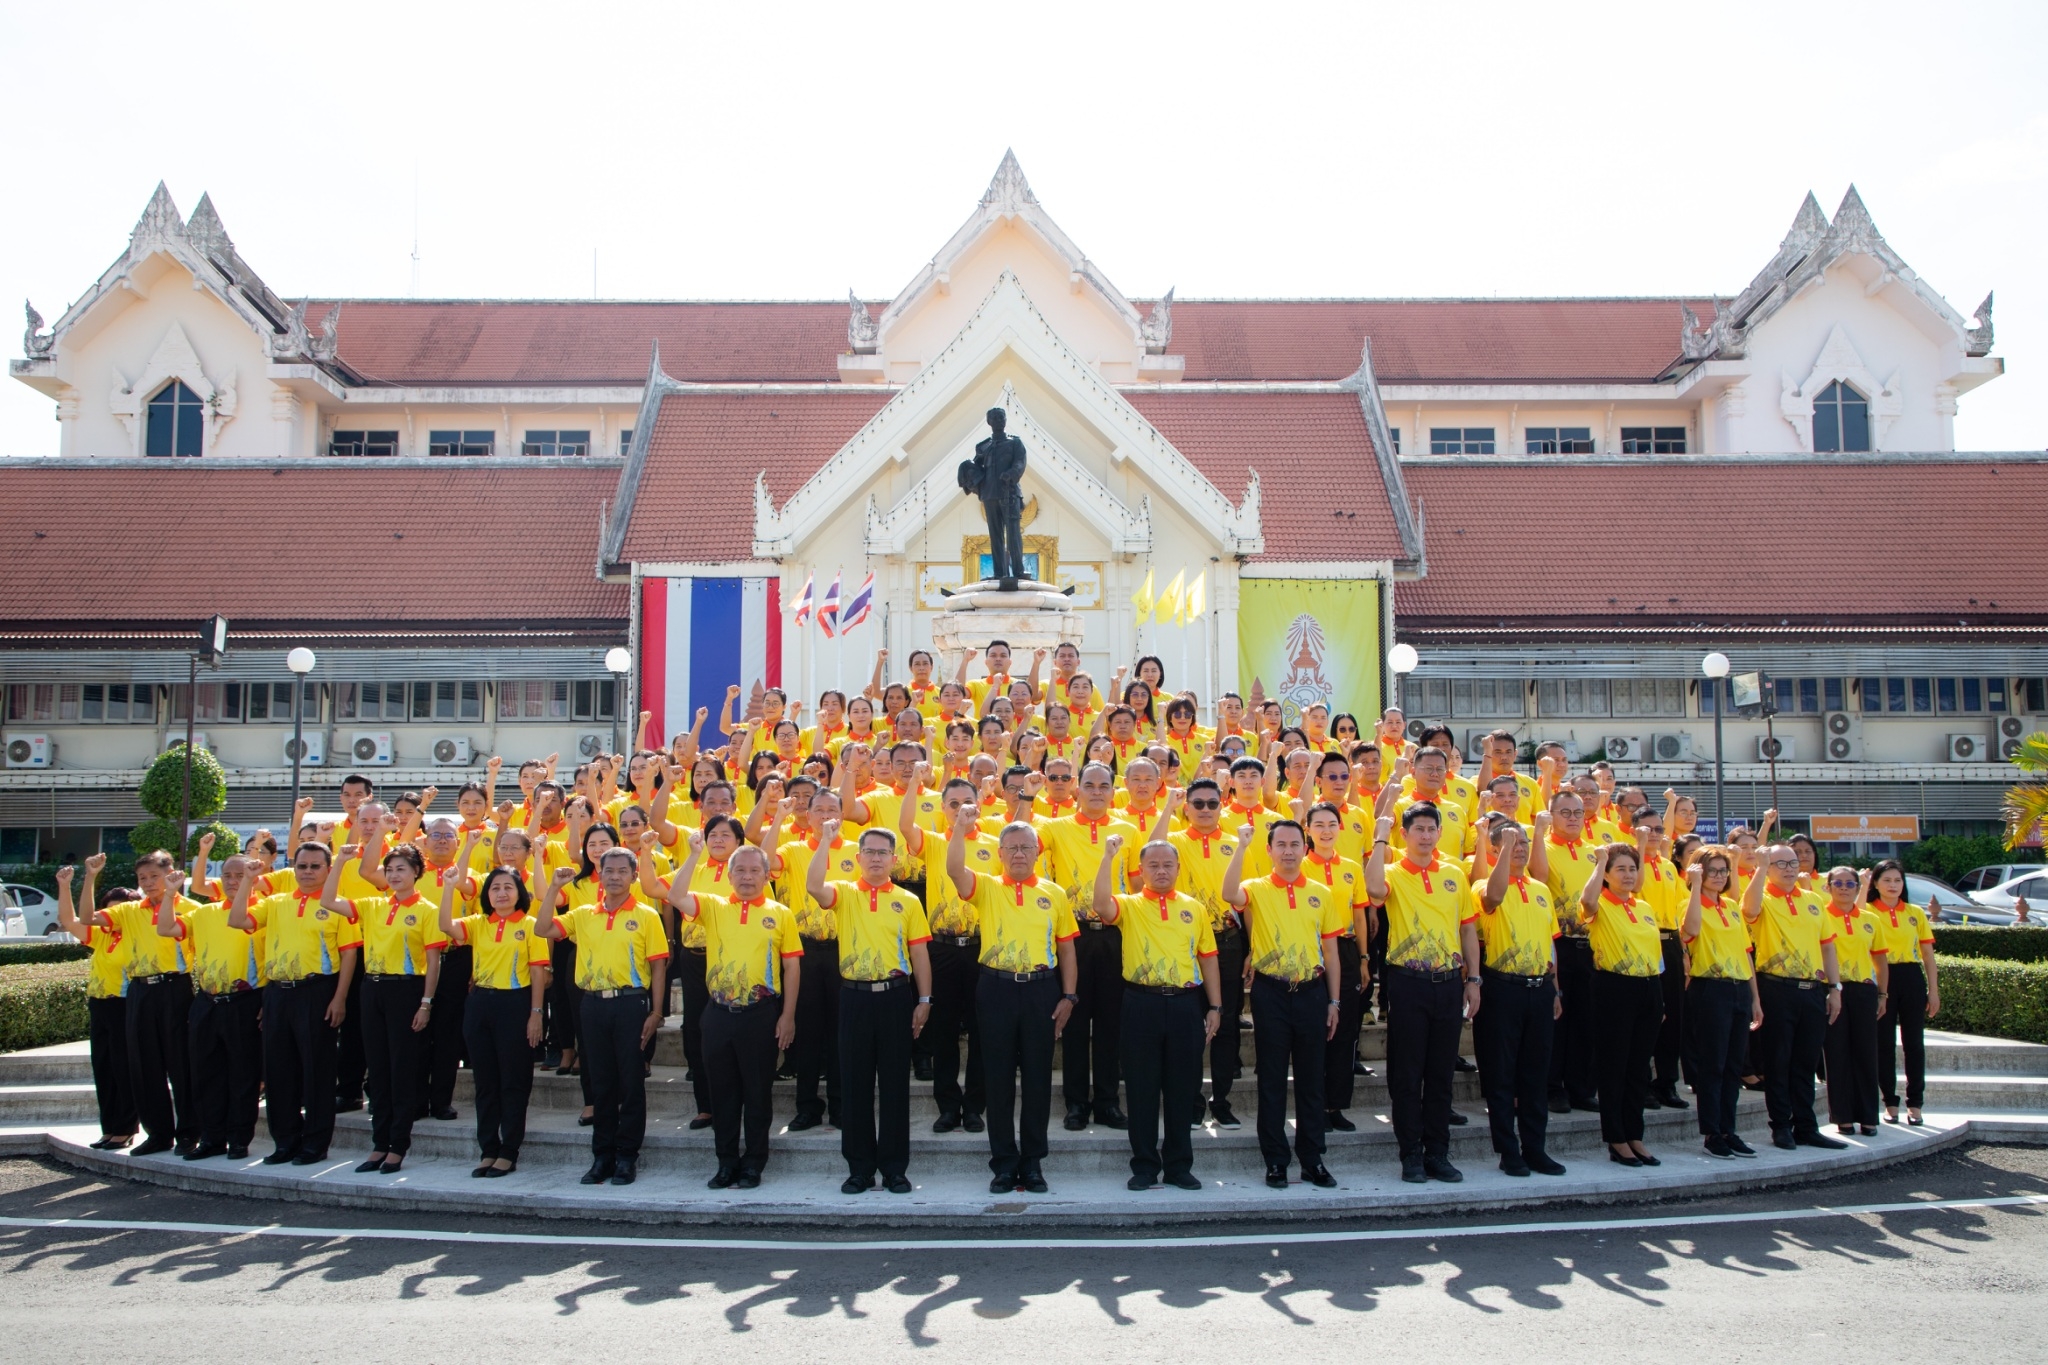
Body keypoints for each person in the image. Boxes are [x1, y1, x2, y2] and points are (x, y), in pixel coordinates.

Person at [947, 815, 1078, 1195]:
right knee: (998, 1079)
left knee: (1038, 1079)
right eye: (1012, 848)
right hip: (996, 989)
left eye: (1027, 847)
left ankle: (1033, 1162)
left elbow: (1067, 948)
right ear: (1000, 854)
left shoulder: (1054, 894)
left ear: (1038, 852)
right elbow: (955, 868)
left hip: (1042, 991)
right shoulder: (986, 887)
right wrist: (959, 827)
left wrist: (1069, 996)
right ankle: (1004, 1164)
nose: (1019, 853)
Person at [666, 834, 801, 1189]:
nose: (746, 876)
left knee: (757, 1094)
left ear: (766, 875)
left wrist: (787, 1016)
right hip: (719, 1013)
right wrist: (694, 855)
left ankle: (754, 1163)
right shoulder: (712, 905)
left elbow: (791, 969)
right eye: (739, 870)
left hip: (761, 1013)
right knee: (722, 1094)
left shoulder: (780, 914)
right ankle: (726, 1162)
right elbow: (676, 896)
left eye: (755, 870)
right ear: (729, 875)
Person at [806, 824, 933, 1194]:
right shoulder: (844, 893)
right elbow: (815, 886)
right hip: (854, 997)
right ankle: (859, 1169)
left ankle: (894, 1168)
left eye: (883, 853)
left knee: (895, 1085)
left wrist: (924, 999)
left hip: (896, 997)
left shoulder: (908, 901)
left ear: (895, 859)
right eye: (870, 852)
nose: (876, 858)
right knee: (854, 1084)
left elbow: (919, 952)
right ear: (858, 858)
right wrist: (826, 841)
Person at [1093, 834, 1220, 1191]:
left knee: (1183, 1088)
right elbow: (1101, 905)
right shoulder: (1130, 905)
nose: (1161, 870)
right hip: (1140, 1004)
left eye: (1168, 864)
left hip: (1185, 1005)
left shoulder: (1194, 908)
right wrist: (1108, 857)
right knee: (1141, 1088)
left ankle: (1179, 1166)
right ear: (1142, 870)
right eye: (1153, 865)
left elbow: (1207, 959)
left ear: (1179, 868)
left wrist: (1215, 1006)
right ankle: (1145, 1165)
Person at [1226, 817, 1345, 1190]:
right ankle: (1276, 1160)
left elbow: (1331, 951)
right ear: (1270, 850)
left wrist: (1334, 1000)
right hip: (1270, 993)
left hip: (1311, 992)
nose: (1289, 851)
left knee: (1312, 1080)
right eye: (1281, 845)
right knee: (1272, 1079)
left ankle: (1313, 1159)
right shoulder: (1256, 888)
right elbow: (1230, 894)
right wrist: (1241, 847)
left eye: (1295, 845)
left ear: (1305, 849)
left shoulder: (1321, 893)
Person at [539, 846, 669, 1187]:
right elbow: (542, 929)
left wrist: (656, 1012)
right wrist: (553, 888)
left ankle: (627, 1156)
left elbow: (658, 967)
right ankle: (602, 1156)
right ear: (600, 874)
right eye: (608, 870)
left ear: (633, 876)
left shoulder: (646, 915)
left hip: (630, 1004)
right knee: (601, 1083)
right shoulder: (583, 914)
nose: (614, 876)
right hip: (592, 1004)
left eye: (621, 871)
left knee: (630, 1082)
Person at [1365, 804, 1480, 1184]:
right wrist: (1380, 837)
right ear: (1406, 833)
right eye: (1419, 829)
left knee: (1441, 1073)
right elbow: (1372, 890)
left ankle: (1438, 1153)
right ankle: (1410, 1154)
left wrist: (1474, 979)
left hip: (1448, 983)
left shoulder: (1453, 875)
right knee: (1408, 1074)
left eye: (1432, 829)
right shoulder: (1394, 872)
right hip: (1408, 982)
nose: (1426, 836)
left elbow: (1467, 930)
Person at [231, 841, 361, 1166]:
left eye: (315, 866)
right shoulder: (275, 902)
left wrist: (340, 998)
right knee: (278, 1069)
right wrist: (247, 880)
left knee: (317, 1069)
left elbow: (348, 955)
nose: (307, 872)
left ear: (328, 870)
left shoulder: (340, 905)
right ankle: (285, 1141)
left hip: (318, 991)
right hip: (277, 993)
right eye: (302, 866)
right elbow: (237, 921)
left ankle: (315, 1144)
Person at [324, 842, 445, 1174]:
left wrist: (426, 1003)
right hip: (372, 988)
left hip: (407, 990)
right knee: (376, 1069)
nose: (394, 875)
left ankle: (398, 1146)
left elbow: (433, 962)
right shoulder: (373, 905)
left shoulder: (427, 910)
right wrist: (340, 862)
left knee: (401, 1069)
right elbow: (328, 900)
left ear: (416, 873)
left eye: (401, 869)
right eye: (389, 870)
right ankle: (379, 1144)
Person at [437, 832, 550, 1176]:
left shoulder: (531, 926)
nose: (501, 893)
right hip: (480, 1005)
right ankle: (488, 1147)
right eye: (495, 888)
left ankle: (509, 1149)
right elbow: (445, 924)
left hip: (516, 1005)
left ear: (520, 894)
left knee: (513, 1081)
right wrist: (448, 887)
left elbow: (538, 974)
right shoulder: (478, 924)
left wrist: (535, 1015)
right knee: (485, 1081)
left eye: (508, 887)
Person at [1037, 762, 1140, 1131]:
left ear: (1114, 791)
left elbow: (1137, 886)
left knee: (1112, 1022)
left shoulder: (1128, 830)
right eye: (1089, 785)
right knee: (1075, 1020)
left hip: (1115, 934)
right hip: (1074, 936)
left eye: (1104, 786)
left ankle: (1108, 1102)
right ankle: (1077, 1103)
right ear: (1076, 790)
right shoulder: (1054, 827)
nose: (1097, 791)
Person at [900, 770, 998, 1133]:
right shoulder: (933, 842)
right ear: (942, 808)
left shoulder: (994, 843)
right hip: (940, 949)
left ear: (980, 804)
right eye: (953, 804)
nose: (960, 810)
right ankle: (947, 1106)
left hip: (981, 948)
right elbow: (905, 824)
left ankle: (975, 1106)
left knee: (980, 1030)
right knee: (942, 1032)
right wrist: (914, 783)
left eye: (966, 803)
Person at [1472, 815, 1567, 1176]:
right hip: (1502, 988)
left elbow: (1550, 944)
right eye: (1512, 844)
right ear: (1496, 850)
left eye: (1524, 843)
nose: (1520, 849)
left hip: (1539, 988)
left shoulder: (1540, 890)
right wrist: (1505, 848)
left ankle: (1535, 1148)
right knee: (1501, 1075)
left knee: (1535, 1074)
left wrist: (1554, 987)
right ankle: (1508, 1151)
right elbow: (1493, 898)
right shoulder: (1483, 883)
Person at [163, 839, 264, 1161]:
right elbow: (166, 928)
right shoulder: (203, 913)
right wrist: (169, 893)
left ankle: (238, 1139)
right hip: (207, 1001)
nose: (233, 881)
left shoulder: (263, 909)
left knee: (243, 1075)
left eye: (240, 875)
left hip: (245, 1001)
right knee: (207, 1074)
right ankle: (211, 1138)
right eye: (228, 876)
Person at [1745, 840, 1847, 1151]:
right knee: (1779, 1060)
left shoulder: (1814, 900)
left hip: (1812, 990)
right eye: (1781, 864)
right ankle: (1781, 1126)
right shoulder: (1760, 897)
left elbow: (1827, 946)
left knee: (1805, 1062)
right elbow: (1748, 911)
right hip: (1776, 988)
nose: (1790, 869)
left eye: (1793, 863)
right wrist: (1760, 868)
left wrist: (1835, 988)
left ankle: (1806, 1126)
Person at [765, 788, 856, 1132]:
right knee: (806, 1032)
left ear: (842, 814)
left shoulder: (855, 851)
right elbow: (764, 859)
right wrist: (778, 817)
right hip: (802, 952)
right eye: (818, 809)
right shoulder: (792, 849)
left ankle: (840, 1105)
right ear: (808, 815)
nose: (825, 815)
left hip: (842, 951)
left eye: (832, 809)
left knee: (839, 1032)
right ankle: (806, 1106)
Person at [104, 850, 201, 1157]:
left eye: (154, 876)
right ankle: (158, 1133)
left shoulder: (192, 909)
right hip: (140, 990)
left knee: (180, 1063)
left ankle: (189, 1132)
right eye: (142, 878)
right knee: (145, 1066)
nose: (147, 883)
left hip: (175, 988)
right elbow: (82, 920)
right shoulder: (131, 910)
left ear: (170, 873)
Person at [1162, 781, 1247, 1128]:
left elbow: (1249, 899)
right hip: (1185, 943)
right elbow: (1152, 847)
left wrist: (1252, 949)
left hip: (1227, 941)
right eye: (1197, 803)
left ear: (1222, 806)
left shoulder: (1236, 844)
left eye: (1213, 803)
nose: (1206, 809)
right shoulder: (1175, 842)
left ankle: (1222, 1099)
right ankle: (1192, 1100)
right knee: (1189, 1028)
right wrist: (1168, 807)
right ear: (1187, 807)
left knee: (1226, 1024)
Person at [1578, 843, 1665, 1167]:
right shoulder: (1599, 903)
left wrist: (1659, 996)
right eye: (1621, 869)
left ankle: (1635, 1134)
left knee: (1639, 1068)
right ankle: (1616, 1138)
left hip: (1648, 987)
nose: (1628, 875)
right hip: (1614, 988)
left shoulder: (1643, 907)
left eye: (1632, 869)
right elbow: (1587, 901)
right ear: (1607, 876)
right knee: (1614, 1066)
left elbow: (1655, 954)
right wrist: (1600, 862)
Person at [1681, 847, 1761, 1159]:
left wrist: (1755, 998)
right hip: (1709, 989)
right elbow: (1691, 931)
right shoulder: (1687, 903)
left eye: (1723, 871)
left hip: (1739, 988)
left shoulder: (1731, 907)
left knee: (1733, 1065)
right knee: (1712, 1064)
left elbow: (1746, 953)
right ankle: (1712, 1132)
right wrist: (1696, 886)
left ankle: (1730, 1129)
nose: (1719, 876)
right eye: (1711, 870)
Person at [1297, 800, 1371, 1133]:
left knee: (1344, 1031)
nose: (1326, 831)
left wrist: (1365, 957)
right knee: (1313, 1029)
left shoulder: (1353, 867)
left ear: (1341, 827)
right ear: (1307, 830)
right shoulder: (1298, 866)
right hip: (1310, 951)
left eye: (1332, 824)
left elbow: (1359, 915)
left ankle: (1336, 1105)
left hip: (1346, 950)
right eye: (1319, 825)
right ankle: (1312, 1105)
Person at [58, 857, 136, 1151]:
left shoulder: (136, 934)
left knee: (123, 1068)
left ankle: (126, 1127)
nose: (111, 916)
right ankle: (110, 1127)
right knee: (103, 1068)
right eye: (108, 909)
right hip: (100, 1005)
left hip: (124, 1004)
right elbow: (70, 920)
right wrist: (67, 884)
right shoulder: (102, 936)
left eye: (119, 910)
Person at [1541, 789, 1602, 1114]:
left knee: (1587, 1018)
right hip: (1558, 942)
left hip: (1591, 945)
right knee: (1558, 1017)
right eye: (1565, 812)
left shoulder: (1595, 852)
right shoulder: (1544, 848)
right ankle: (1553, 1087)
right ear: (1552, 815)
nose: (1573, 818)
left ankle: (1582, 1087)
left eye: (1578, 812)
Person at [1866, 860, 1939, 1125]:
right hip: (1880, 979)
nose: (1893, 885)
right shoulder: (1867, 911)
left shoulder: (1915, 913)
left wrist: (1933, 991)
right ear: (1875, 883)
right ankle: (1889, 1101)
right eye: (1887, 880)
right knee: (1883, 1043)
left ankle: (1915, 1103)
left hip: (1911, 977)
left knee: (1914, 1044)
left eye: (1898, 880)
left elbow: (1928, 957)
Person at [1822, 866, 1884, 1137]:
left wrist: (1882, 993)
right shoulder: (1819, 916)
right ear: (1828, 886)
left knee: (1867, 1053)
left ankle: (1869, 1116)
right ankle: (1843, 1116)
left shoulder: (1871, 919)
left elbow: (1880, 958)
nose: (1844, 888)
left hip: (1864, 990)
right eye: (1838, 882)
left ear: (1859, 889)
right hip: (1832, 990)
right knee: (1837, 1053)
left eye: (1850, 883)